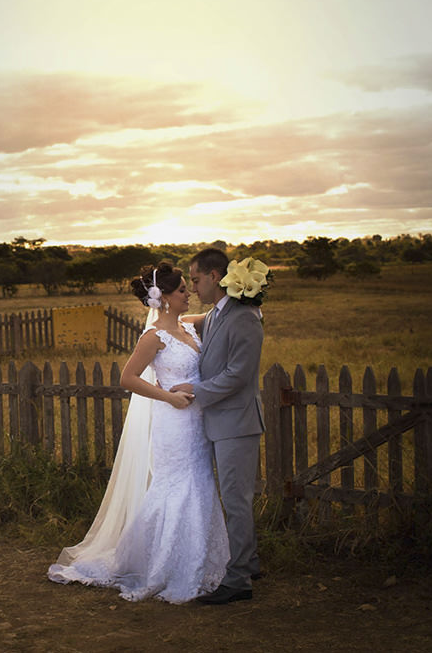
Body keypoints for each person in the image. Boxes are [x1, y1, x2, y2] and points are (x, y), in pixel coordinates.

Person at [47, 262, 228, 604]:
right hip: (173, 422)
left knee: (200, 482)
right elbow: (128, 378)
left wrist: (246, 302)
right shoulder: (153, 337)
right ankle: (163, 565)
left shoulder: (188, 329)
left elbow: (220, 315)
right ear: (163, 298)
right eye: (180, 291)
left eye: (187, 289)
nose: (188, 294)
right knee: (175, 486)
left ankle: (199, 560)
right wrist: (169, 396)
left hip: (197, 423)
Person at [173, 247, 265, 605]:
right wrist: (167, 315)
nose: (193, 286)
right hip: (221, 423)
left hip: (237, 423)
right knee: (234, 498)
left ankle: (239, 579)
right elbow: (196, 323)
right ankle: (251, 562)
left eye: (195, 279)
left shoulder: (244, 316)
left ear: (215, 277)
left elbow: (239, 376)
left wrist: (196, 390)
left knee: (236, 500)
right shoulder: (217, 313)